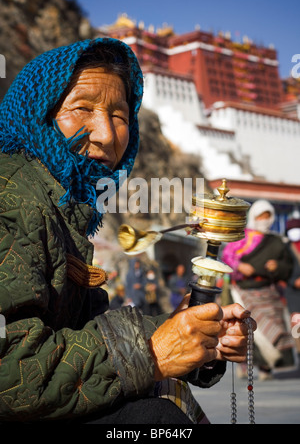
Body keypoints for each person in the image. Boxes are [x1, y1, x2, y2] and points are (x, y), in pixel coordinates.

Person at [0, 37, 254, 423]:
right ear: (38, 115)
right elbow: (11, 372)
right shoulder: (11, 196)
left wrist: (185, 330)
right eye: (82, 108)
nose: (104, 133)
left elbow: (86, 327)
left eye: (119, 116)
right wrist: (151, 352)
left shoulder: (64, 206)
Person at [222, 199, 294, 380]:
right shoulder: (241, 237)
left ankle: (266, 367)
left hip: (268, 291)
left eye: (268, 216)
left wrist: (277, 266)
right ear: (254, 216)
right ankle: (245, 362)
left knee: (272, 330)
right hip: (244, 290)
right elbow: (227, 256)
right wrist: (239, 266)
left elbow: (288, 266)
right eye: (261, 216)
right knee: (248, 328)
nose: (265, 220)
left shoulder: (277, 242)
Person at [285, 218, 300, 366]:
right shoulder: (285, 248)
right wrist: (293, 280)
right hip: (294, 292)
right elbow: (283, 270)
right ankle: (299, 353)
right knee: (297, 325)